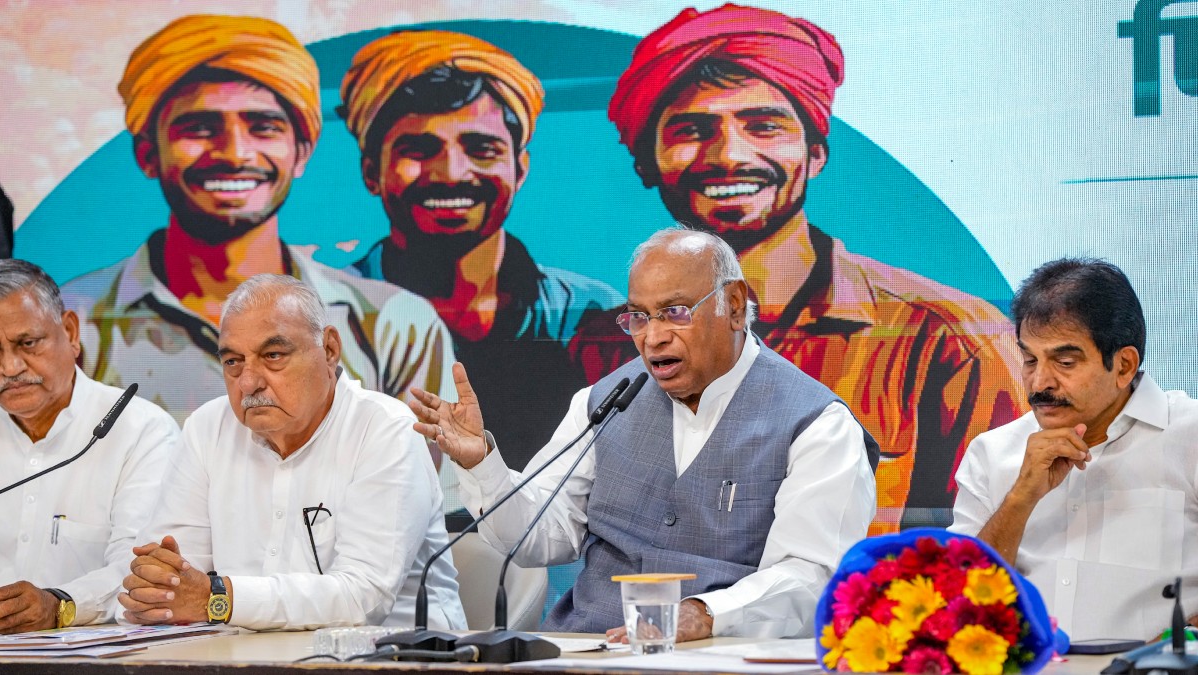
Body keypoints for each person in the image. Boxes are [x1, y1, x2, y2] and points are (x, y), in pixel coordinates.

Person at [572, 3, 1026, 532]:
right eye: (692, 129)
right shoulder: (604, 350)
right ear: (646, 161)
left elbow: (983, 548)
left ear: (816, 152)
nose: (728, 156)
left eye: (764, 125)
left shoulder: (953, 339)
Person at [412, 228, 877, 640]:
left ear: (734, 306)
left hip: (719, 657)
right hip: (587, 651)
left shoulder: (817, 424)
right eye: (638, 316)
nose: (652, 337)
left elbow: (812, 576)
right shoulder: (603, 402)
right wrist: (480, 463)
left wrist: (705, 614)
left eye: (674, 312)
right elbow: (538, 536)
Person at [60, 15, 456, 424]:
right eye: (199, 128)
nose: (234, 154)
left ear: (301, 153)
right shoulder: (73, 324)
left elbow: (425, 466)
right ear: (147, 154)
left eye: (263, 127)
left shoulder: (393, 326)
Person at [339, 30, 622, 469]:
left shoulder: (592, 317)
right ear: (371, 171)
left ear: (520, 169)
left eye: (481, 149)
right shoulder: (328, 319)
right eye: (419, 149)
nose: (452, 173)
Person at [119, 275, 465, 631]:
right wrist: (155, 590)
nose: (249, 382)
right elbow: (167, 580)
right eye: (233, 362)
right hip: (239, 654)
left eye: (273, 356)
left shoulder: (384, 429)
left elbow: (363, 598)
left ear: (329, 349)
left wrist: (219, 599)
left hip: (395, 655)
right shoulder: (207, 428)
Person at [950, 258, 1198, 641]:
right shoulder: (992, 453)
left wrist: (1161, 656)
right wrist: (1020, 498)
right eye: (1029, 360)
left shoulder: (1189, 435)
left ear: (1124, 365)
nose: (1039, 382)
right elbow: (955, 602)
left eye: (1064, 362)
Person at [0, 260, 177, 632]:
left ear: (70, 332)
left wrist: (60, 605)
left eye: (27, 344)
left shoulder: (141, 430)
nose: (10, 367)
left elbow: (140, 570)